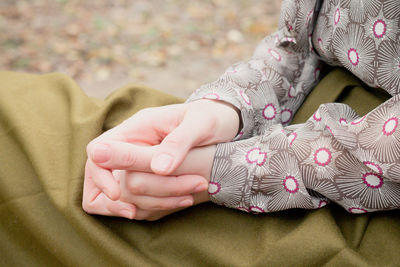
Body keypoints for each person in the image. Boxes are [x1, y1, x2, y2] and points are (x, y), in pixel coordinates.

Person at [83, 0, 400, 221]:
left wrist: (224, 169)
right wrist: (226, 108)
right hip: (298, 135)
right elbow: (298, 44)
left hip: (365, 189)